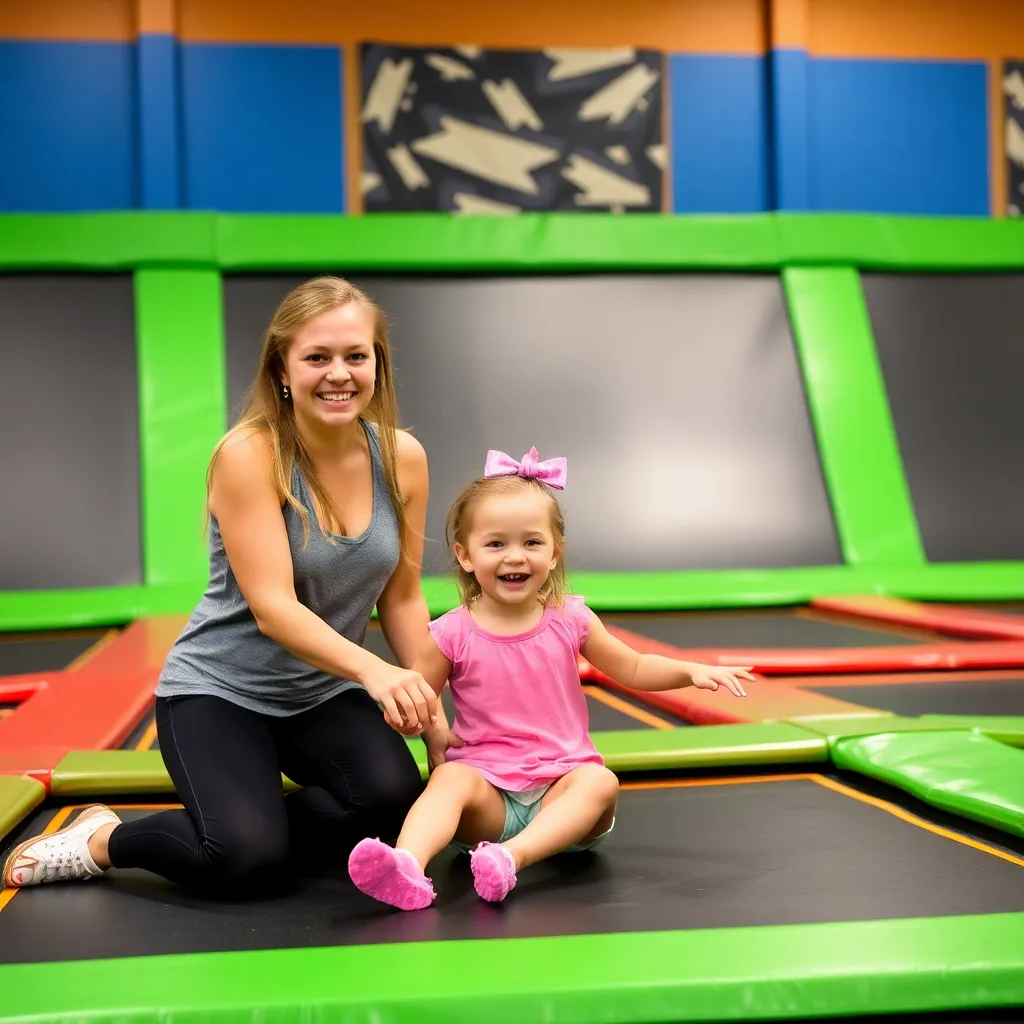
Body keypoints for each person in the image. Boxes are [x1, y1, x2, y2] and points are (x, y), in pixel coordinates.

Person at [4, 276, 443, 893]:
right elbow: (272, 608)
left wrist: (433, 715)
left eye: (355, 355)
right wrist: (376, 673)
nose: (338, 373)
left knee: (398, 807)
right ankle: (102, 840)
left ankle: (257, 829)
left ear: (378, 365)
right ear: (283, 369)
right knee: (242, 858)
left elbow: (402, 596)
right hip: (219, 692)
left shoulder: (402, 458)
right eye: (317, 357)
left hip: (321, 692)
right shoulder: (249, 455)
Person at [347, 447, 753, 910]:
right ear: (464, 555)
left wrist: (690, 670)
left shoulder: (570, 618)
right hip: (489, 800)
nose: (514, 557)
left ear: (555, 551)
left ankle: (509, 860)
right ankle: (406, 865)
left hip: (563, 800)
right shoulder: (450, 632)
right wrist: (423, 728)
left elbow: (633, 667)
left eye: (532, 543)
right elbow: (420, 696)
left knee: (600, 783)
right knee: (450, 780)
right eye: (495, 544)